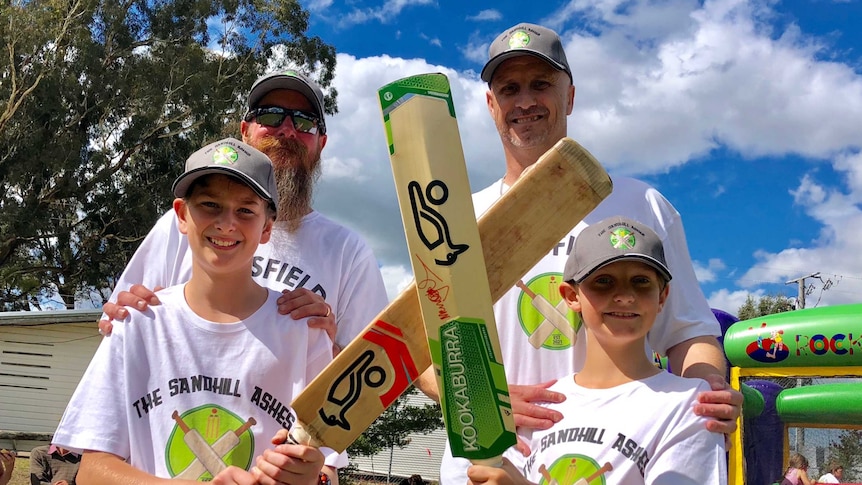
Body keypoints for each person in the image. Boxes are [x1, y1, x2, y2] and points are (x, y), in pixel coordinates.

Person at [422, 22, 743, 484]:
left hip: (613, 462)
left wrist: (704, 387)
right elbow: (417, 357)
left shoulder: (640, 204)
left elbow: (689, 332)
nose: (526, 101)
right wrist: (475, 398)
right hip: (483, 466)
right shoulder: (456, 220)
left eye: (541, 84)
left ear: (569, 96)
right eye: (509, 88)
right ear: (492, 105)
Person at [53, 138, 335, 485]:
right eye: (209, 205)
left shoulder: (303, 333)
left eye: (246, 210)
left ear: (266, 228)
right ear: (182, 215)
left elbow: (323, 467)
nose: (227, 223)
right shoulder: (136, 324)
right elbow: (92, 472)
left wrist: (306, 475)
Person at [98, 69, 388, 359]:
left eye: (304, 122)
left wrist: (323, 347)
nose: (287, 130)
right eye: (271, 116)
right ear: (245, 131)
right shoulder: (182, 226)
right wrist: (133, 313)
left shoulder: (348, 252)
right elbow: (120, 330)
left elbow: (375, 380)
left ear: (321, 145)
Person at [467, 216, 727, 484]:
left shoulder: (690, 404)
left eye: (641, 281)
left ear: (662, 296)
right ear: (571, 296)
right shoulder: (538, 410)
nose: (625, 295)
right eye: (603, 281)